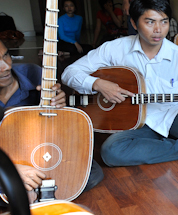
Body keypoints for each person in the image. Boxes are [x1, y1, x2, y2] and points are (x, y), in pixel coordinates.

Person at [62, 0, 178, 167]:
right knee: (111, 151)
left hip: (172, 115)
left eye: (164, 21)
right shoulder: (114, 48)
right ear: (134, 23)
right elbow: (70, 72)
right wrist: (98, 84)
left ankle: (165, 143)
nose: (158, 30)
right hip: (135, 122)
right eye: (150, 22)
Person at [0, 39, 104, 192]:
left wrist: (59, 104)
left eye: (6, 56)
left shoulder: (33, 73)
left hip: (37, 149)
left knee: (90, 173)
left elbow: (59, 125)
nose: (6, 66)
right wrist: (11, 170)